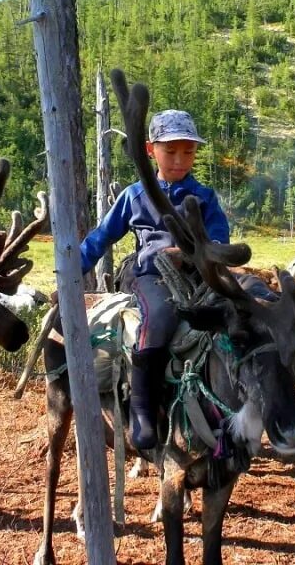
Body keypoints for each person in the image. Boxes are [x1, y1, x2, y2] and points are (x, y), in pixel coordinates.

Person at [79, 109, 229, 450]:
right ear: (151, 150)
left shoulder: (205, 198)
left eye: (188, 152)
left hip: (198, 276)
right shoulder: (134, 195)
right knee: (160, 316)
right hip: (150, 276)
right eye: (170, 151)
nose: (180, 160)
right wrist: (71, 271)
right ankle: (143, 409)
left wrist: (195, 254)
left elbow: (220, 240)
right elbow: (101, 238)